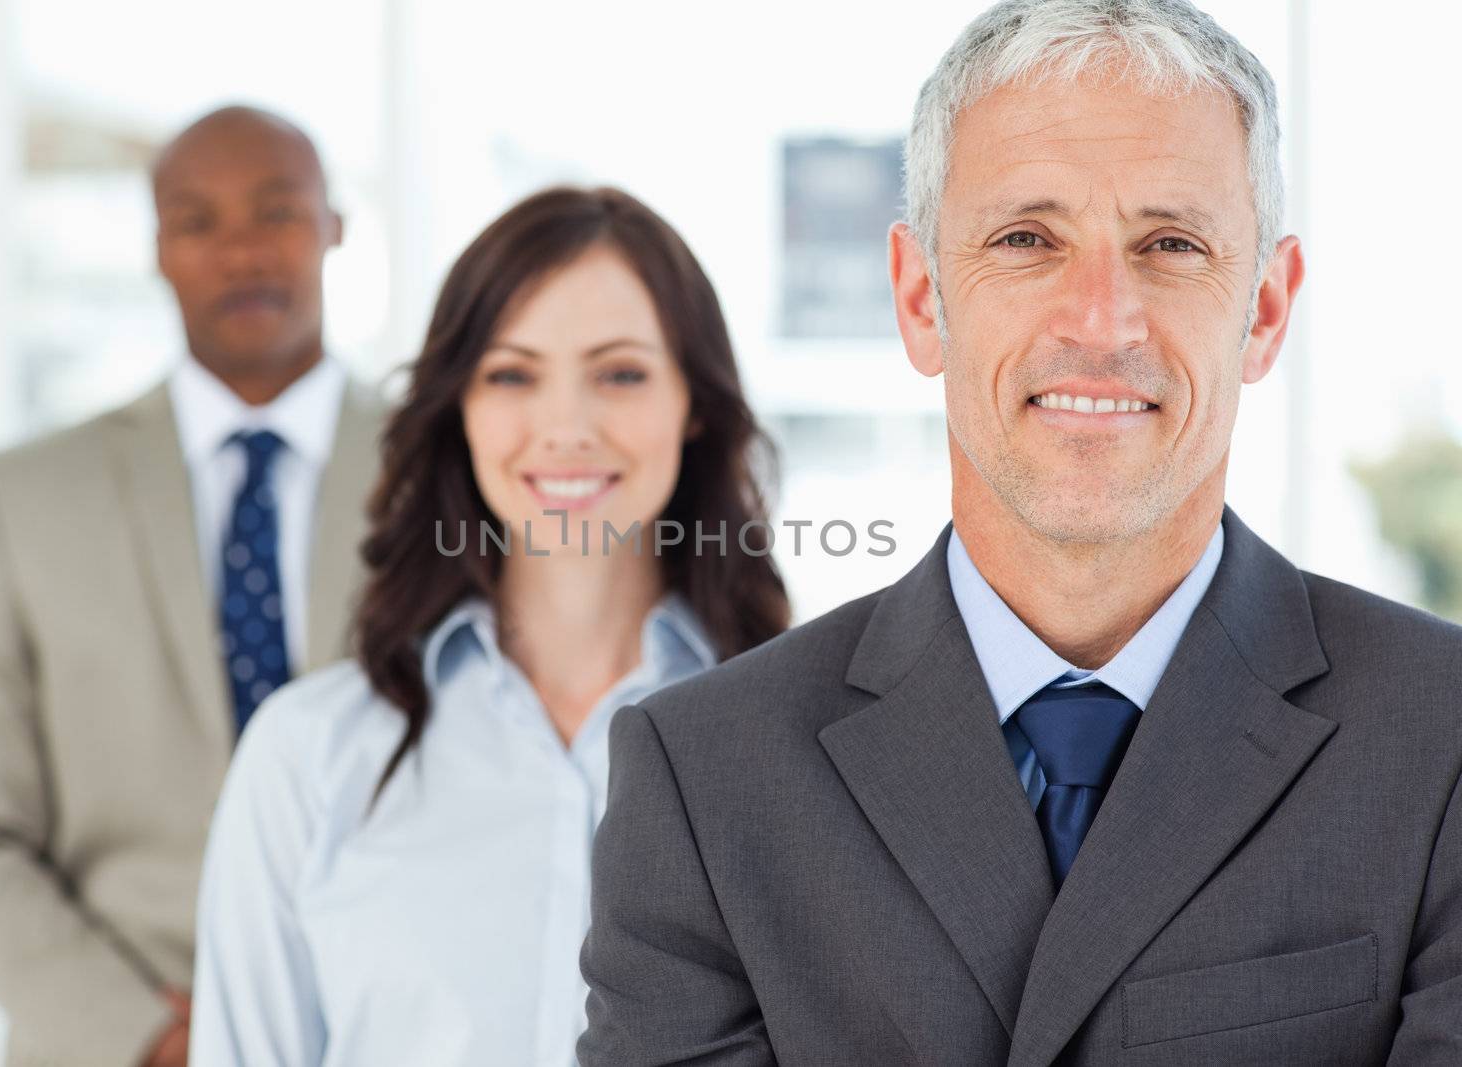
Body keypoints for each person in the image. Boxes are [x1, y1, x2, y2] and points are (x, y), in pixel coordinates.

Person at [578, 2, 1462, 1065]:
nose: (1100, 318)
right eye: (1025, 240)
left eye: (1171, 242)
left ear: (1265, 309)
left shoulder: (1439, 738)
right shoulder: (705, 777)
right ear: (919, 297)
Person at [189, 185, 790, 1065]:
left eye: (620, 373)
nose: (566, 427)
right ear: (459, 407)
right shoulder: (309, 756)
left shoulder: (796, 748)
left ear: (693, 402)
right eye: (512, 374)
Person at [0, 106, 384, 1067]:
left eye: (277, 211)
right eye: (197, 220)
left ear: (334, 227)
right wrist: (155, 1036)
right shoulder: (24, 500)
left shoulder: (455, 472)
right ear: (156, 248)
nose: (243, 250)